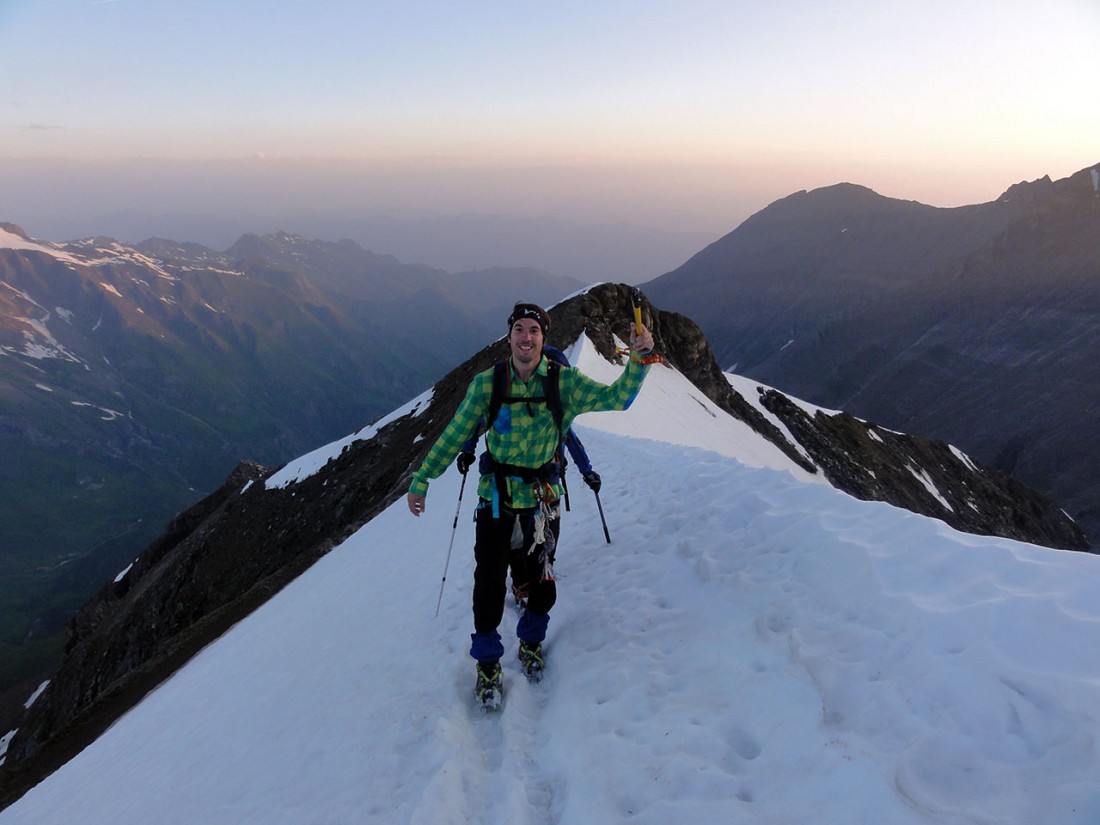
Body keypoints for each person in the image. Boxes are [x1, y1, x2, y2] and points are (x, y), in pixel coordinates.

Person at [407, 301, 655, 708]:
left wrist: (640, 360)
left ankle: (530, 641)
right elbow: (455, 434)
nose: (526, 337)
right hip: (495, 499)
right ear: (509, 337)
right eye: (519, 330)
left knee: (542, 582)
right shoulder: (487, 384)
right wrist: (422, 480)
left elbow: (618, 398)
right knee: (488, 583)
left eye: (533, 331)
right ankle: (488, 662)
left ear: (544, 339)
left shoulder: (564, 382)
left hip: (542, 500)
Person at [454, 344, 601, 611]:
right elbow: (572, 443)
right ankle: (525, 583)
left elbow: (478, 424)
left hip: (541, 489)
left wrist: (467, 450)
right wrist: (587, 471)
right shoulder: (528, 401)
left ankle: (529, 586)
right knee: (527, 543)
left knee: (530, 542)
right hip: (535, 488)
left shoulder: (554, 407)